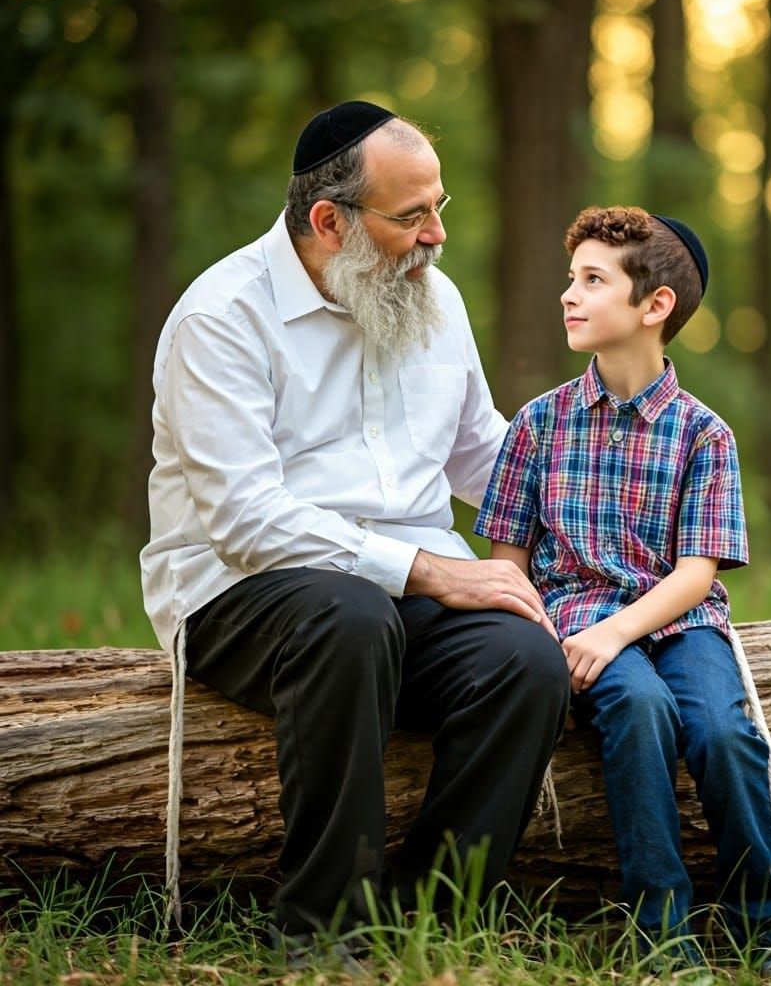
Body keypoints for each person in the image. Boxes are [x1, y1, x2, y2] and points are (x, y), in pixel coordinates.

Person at [140, 101, 570, 956]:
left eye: (440, 207)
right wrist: (430, 569)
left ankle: (431, 925)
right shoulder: (220, 317)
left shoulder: (432, 298)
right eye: (412, 217)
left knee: (525, 661)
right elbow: (245, 520)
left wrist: (610, 548)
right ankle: (324, 932)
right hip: (241, 596)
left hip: (396, 596)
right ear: (330, 222)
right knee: (351, 614)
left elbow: (484, 457)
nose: (437, 236)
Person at [474, 206, 771, 979]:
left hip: (679, 622)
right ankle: (664, 940)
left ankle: (770, 937)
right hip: (575, 625)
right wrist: (551, 643)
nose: (570, 294)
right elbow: (508, 563)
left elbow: (697, 575)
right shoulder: (537, 424)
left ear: (655, 306)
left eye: (593, 280)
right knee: (641, 708)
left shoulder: (703, 433)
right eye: (570, 278)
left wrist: (619, 632)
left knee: (725, 735)